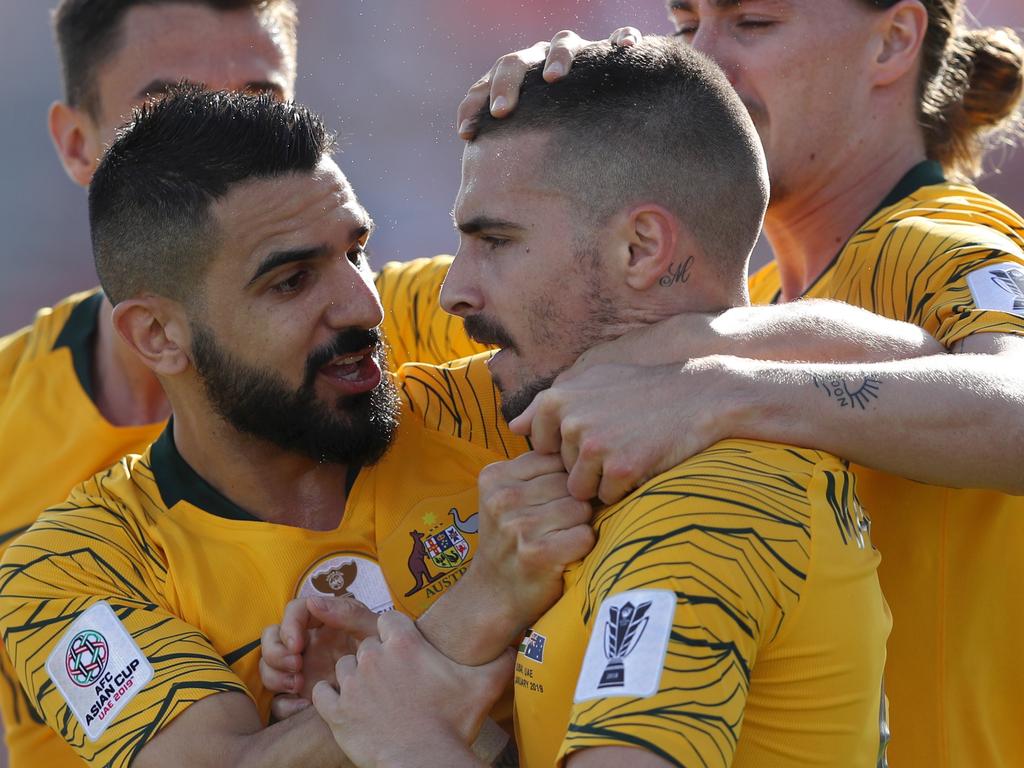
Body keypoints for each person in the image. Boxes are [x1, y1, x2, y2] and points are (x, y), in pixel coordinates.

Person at [285, 38, 892, 767]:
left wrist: (405, 734)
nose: (456, 290)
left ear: (641, 249)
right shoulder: (618, 444)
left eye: (497, 241)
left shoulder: (711, 509)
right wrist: (435, 677)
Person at [456, 4, 1024, 764]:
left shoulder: (937, 238)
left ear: (891, 40)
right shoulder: (744, 294)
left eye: (752, 21)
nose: (708, 57)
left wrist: (720, 389)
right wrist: (576, 121)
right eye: (687, 25)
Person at [0, 88, 578, 767]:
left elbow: (706, 335)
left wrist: (595, 93)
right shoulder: (71, 569)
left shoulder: (498, 414)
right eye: (292, 281)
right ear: (157, 334)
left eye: (356, 252)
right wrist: (473, 612)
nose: (364, 306)